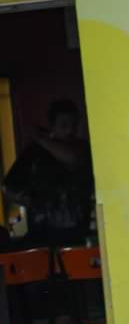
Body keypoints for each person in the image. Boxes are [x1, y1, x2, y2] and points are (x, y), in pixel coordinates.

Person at [2, 99, 94, 249]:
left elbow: (73, 158)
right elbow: (9, 188)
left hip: (78, 234)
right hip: (43, 235)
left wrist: (39, 137)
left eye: (73, 125)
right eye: (64, 125)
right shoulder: (34, 153)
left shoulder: (82, 148)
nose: (69, 131)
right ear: (52, 126)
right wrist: (34, 201)